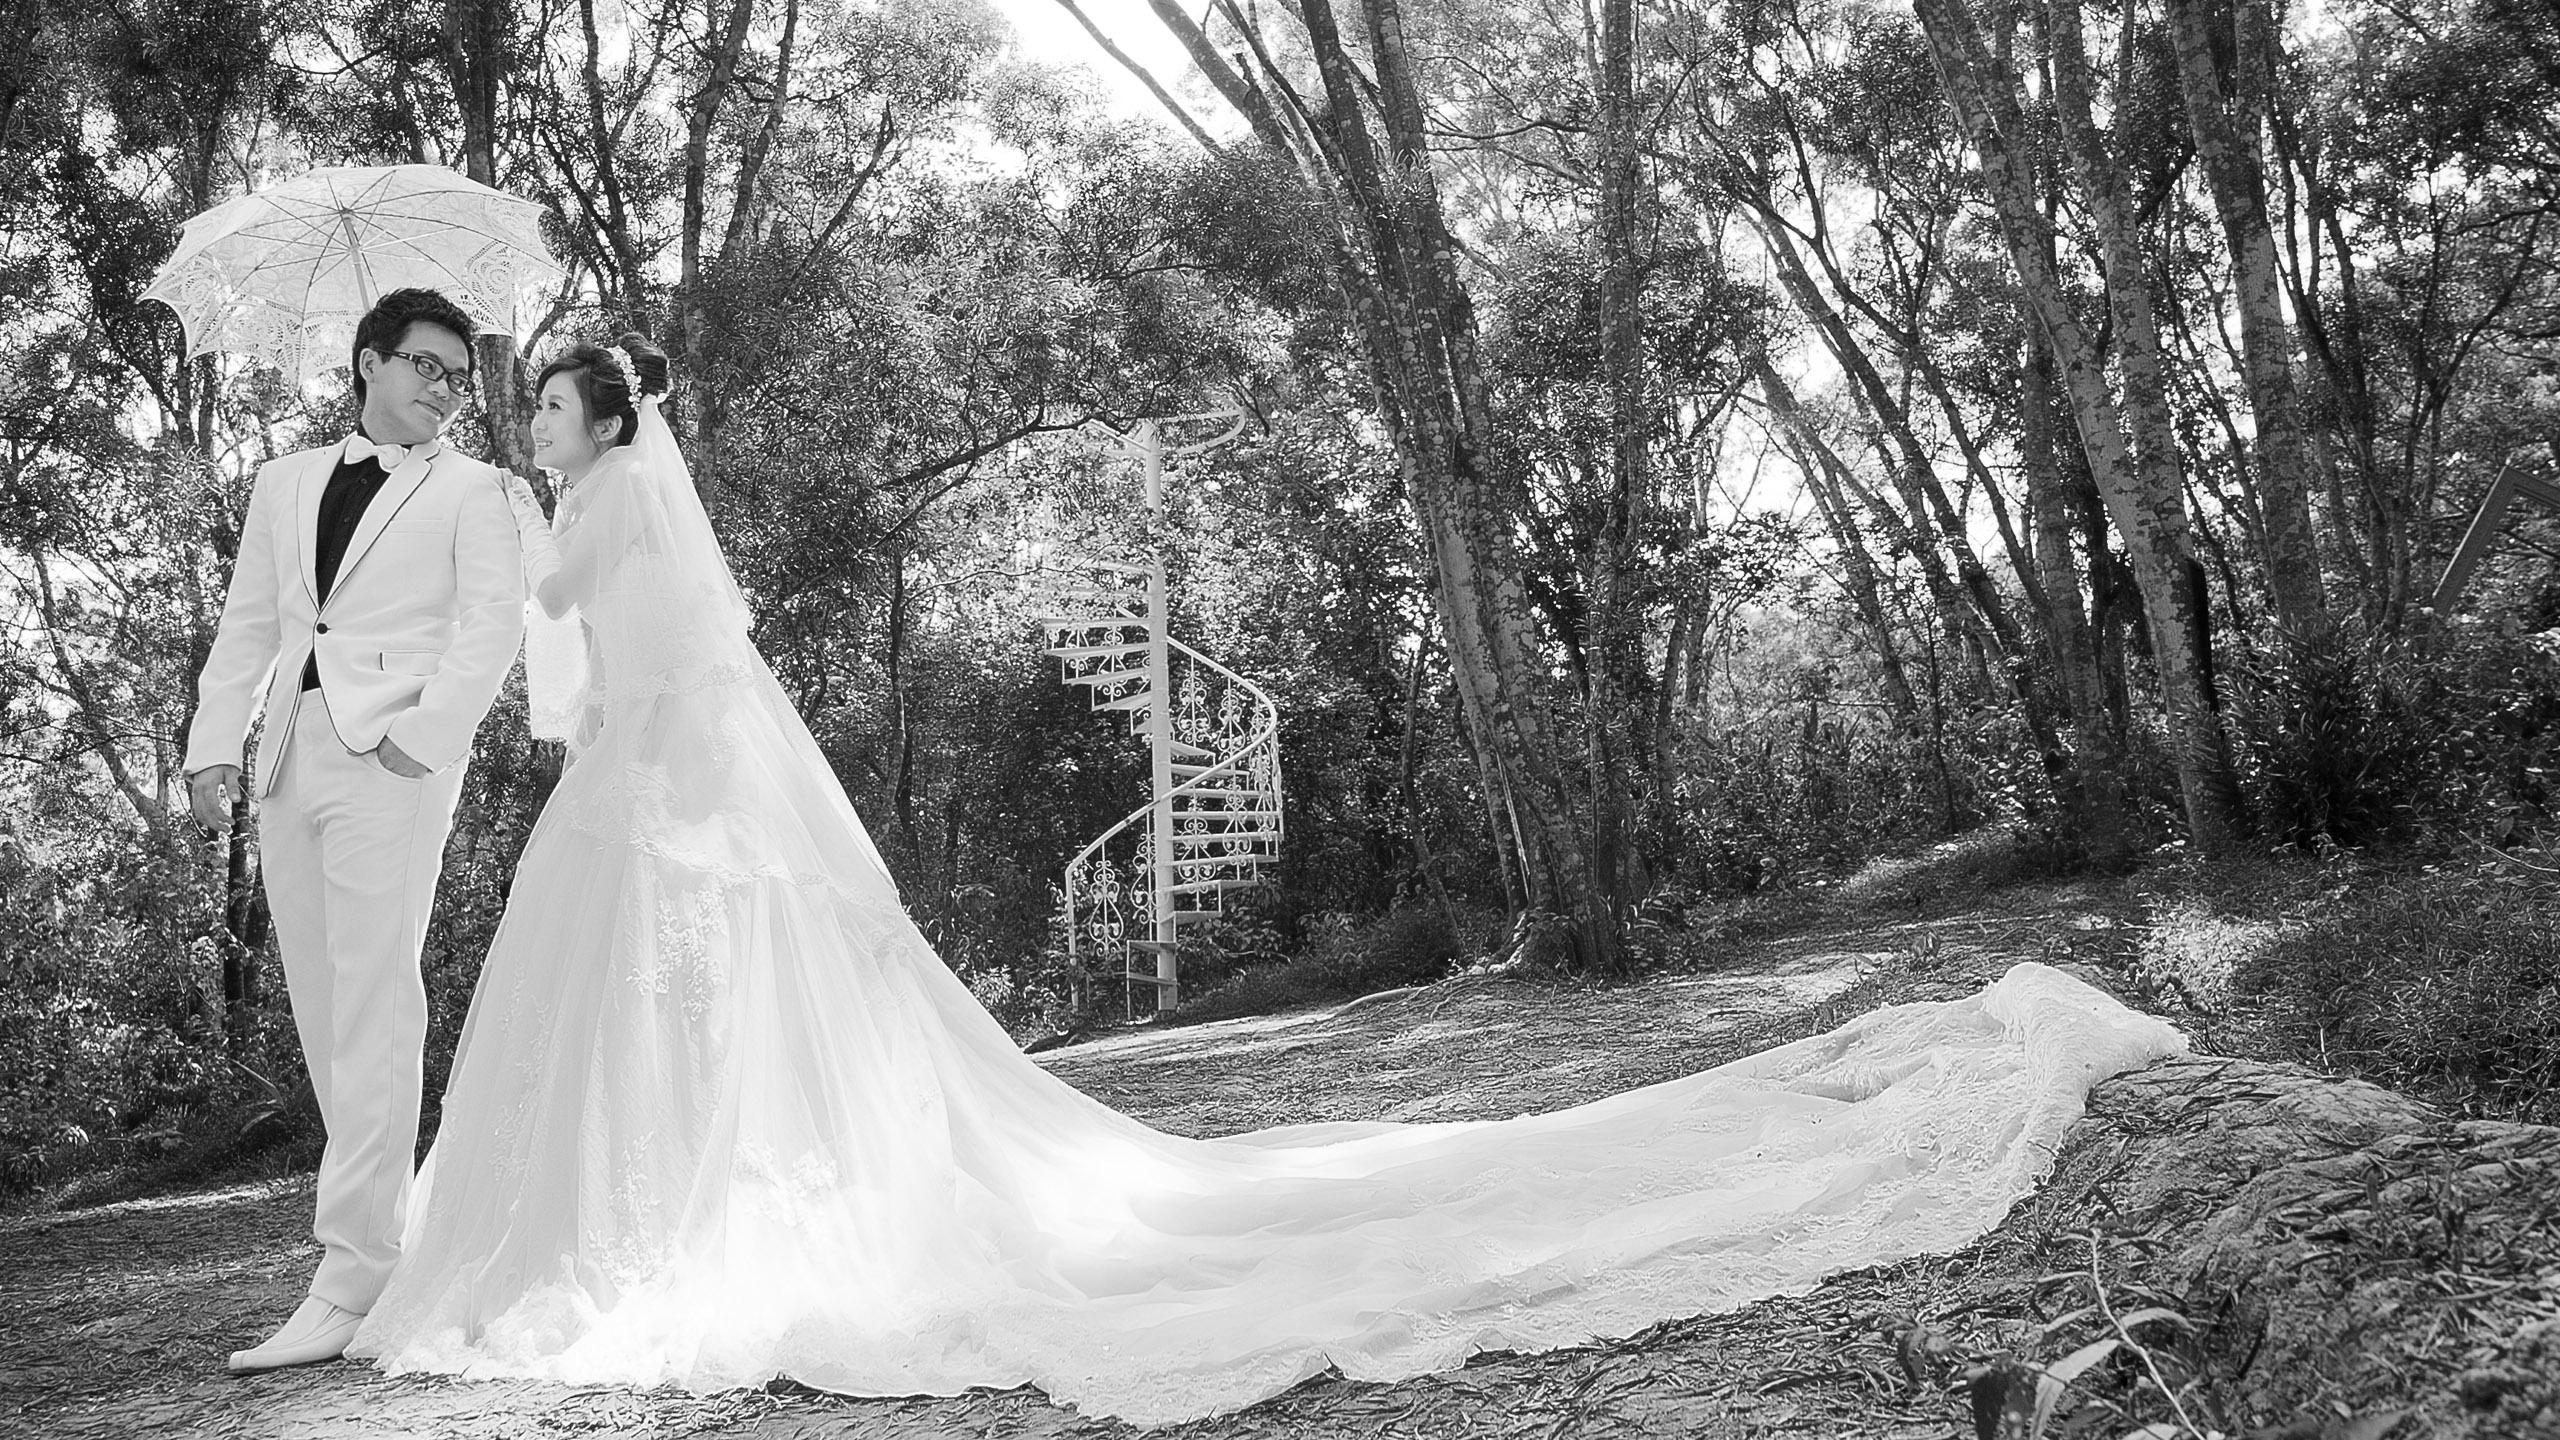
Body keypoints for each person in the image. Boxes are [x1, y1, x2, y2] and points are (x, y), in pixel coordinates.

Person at [347, 338, 2187, 1426]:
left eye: (554, 406)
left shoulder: (609, 510)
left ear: (610, 425)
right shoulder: (577, 507)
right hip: (633, 795)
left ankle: (665, 1224)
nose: (537, 423)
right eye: (537, 407)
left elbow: (647, 662)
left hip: (668, 802)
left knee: (692, 1005)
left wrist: (515, 574)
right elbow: (576, 664)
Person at [182, 288, 526, 1372]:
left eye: (458, 377)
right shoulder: (282, 482)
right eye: (426, 366)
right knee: (329, 1010)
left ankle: (350, 1275)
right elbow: (251, 624)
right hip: (289, 756)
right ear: (370, 361)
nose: (445, 390)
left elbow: (492, 625)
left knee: (375, 997)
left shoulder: (475, 489)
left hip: (394, 756)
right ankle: (391, 1240)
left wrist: (425, 738)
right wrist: (212, 745)